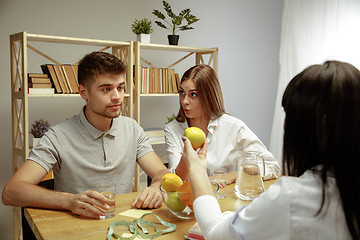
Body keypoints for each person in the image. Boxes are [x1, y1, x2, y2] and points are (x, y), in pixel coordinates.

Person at [181, 60, 360, 239]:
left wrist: (197, 169)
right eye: (182, 93)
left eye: (288, 115)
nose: (185, 101)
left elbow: (215, 234)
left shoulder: (291, 198)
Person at [2, 51, 169, 219]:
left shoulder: (132, 129)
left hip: (120, 227)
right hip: (76, 229)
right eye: (106, 89)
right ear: (84, 92)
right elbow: (11, 192)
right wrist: (69, 201)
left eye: (120, 87)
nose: (117, 96)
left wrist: (156, 187)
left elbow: (162, 172)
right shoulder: (58, 136)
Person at [164, 64, 280, 183]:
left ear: (209, 96)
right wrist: (188, 156)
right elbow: (177, 180)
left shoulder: (234, 127)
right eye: (182, 92)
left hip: (228, 199)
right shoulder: (172, 129)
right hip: (190, 199)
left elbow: (272, 166)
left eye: (193, 94)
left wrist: (232, 176)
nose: (184, 101)